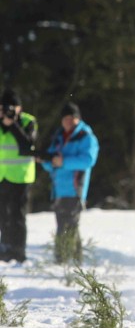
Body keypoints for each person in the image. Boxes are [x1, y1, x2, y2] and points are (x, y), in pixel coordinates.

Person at [38, 102, 99, 263]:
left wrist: (62, 162)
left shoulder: (86, 137)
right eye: (65, 118)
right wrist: (44, 160)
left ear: (78, 119)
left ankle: (69, 261)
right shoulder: (59, 136)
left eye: (72, 118)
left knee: (70, 226)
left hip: (74, 189)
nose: (68, 121)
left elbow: (88, 160)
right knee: (62, 225)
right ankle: (66, 261)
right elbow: (51, 161)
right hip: (58, 188)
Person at [0, 89, 37, 263]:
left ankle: (18, 250)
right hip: (2, 176)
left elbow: (27, 146)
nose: (7, 111)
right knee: (3, 215)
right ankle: (4, 248)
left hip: (21, 177)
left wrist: (13, 124)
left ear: (19, 108)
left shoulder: (28, 121)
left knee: (17, 215)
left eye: (11, 107)